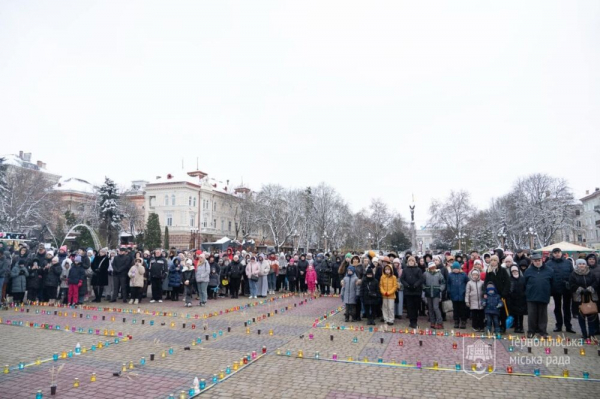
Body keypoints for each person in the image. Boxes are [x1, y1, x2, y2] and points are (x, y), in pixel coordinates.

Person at [524, 252, 554, 338]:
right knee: (532, 315)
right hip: (531, 296)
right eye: (535, 261)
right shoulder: (528, 271)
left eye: (539, 260)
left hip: (544, 295)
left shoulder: (549, 270)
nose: (537, 262)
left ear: (542, 260)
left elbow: (552, 282)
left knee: (543, 315)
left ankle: (542, 331)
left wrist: (548, 292)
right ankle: (531, 331)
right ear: (532, 261)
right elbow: (525, 283)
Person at [546, 248, 575, 333]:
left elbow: (572, 274)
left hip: (566, 289)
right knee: (557, 307)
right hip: (555, 288)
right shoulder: (549, 263)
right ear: (553, 254)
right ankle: (558, 325)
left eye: (558, 252)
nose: (557, 254)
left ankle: (568, 326)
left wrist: (570, 284)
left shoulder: (568, 263)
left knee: (567, 308)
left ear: (561, 253)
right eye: (555, 253)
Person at [569, 259, 598, 340]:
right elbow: (571, 284)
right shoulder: (573, 274)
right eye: (580, 264)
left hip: (590, 297)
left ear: (586, 265)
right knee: (581, 317)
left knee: (591, 316)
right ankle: (584, 334)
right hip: (579, 298)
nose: (582, 265)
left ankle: (591, 334)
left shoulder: (591, 273)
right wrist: (580, 289)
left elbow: (596, 282)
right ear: (577, 265)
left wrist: (590, 288)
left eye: (583, 264)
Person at [484, 255, 510, 332]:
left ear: (498, 261)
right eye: (492, 260)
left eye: (495, 260)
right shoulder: (488, 271)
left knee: (502, 311)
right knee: (493, 311)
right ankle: (495, 326)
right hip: (492, 295)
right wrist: (486, 292)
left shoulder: (502, 270)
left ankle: (502, 326)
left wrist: (504, 293)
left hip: (501, 293)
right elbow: (486, 282)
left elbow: (507, 282)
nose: (493, 262)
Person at [401, 256, 424, 328]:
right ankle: (411, 321)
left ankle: (415, 321)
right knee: (410, 307)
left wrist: (415, 285)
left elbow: (421, 279)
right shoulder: (405, 270)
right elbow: (402, 279)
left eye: (412, 261)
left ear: (414, 262)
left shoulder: (418, 270)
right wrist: (407, 285)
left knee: (416, 307)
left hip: (416, 291)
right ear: (408, 262)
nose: (411, 262)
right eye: (410, 261)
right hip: (408, 291)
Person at [423, 261, 445, 329]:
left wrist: (440, 289)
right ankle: (432, 322)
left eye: (433, 267)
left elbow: (443, 283)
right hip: (428, 292)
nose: (432, 268)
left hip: (436, 292)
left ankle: (440, 322)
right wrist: (424, 288)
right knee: (430, 308)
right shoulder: (425, 274)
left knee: (436, 307)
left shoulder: (439, 274)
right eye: (431, 267)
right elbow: (422, 283)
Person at [447, 261, 469, 329]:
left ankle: (463, 321)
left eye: (457, 268)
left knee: (463, 309)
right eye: (454, 268)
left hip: (462, 295)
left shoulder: (463, 275)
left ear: (459, 268)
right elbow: (448, 284)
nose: (456, 270)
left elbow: (467, 282)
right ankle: (456, 321)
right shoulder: (450, 275)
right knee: (455, 309)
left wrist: (465, 291)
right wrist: (449, 291)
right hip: (454, 295)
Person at [507, 265, 527, 334]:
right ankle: (516, 327)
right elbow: (508, 289)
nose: (514, 272)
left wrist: (524, 294)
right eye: (513, 271)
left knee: (521, 315)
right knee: (515, 314)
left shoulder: (522, 278)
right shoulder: (509, 279)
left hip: (521, 299)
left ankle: (521, 327)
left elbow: (525, 287)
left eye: (515, 270)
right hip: (513, 299)